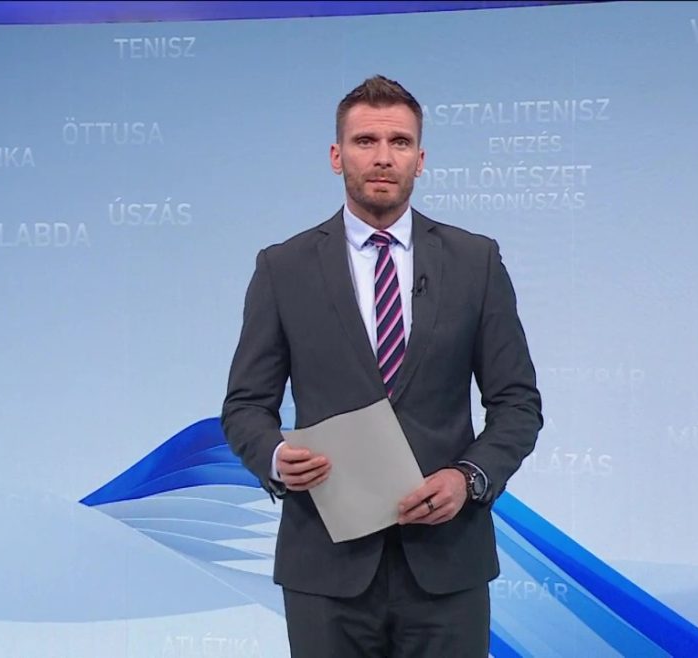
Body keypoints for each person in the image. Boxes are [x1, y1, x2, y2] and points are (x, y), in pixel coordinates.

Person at [220, 75, 543, 657]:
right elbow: (245, 406)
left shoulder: (475, 261)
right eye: (366, 140)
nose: (383, 157)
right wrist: (274, 457)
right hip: (326, 564)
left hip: (447, 564)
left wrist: (467, 479)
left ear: (420, 159)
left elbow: (518, 404)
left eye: (399, 142)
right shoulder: (283, 268)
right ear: (336, 155)